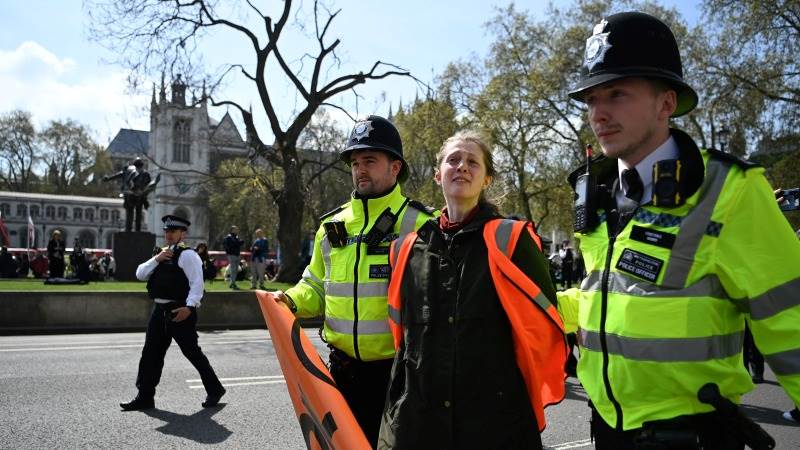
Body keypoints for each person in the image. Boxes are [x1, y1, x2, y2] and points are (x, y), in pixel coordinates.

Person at [558, 11, 800, 449]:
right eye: (591, 98)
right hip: (606, 431)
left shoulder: (730, 189)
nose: (599, 112)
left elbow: (792, 318)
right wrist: (528, 304)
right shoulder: (591, 191)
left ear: (665, 103)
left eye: (616, 94)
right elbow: (605, 294)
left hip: (693, 435)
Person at [378, 131, 567, 449]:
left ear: (487, 179)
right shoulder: (406, 249)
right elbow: (403, 345)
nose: (462, 167)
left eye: (472, 162)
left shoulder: (512, 239)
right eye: (453, 160)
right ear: (438, 174)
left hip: (494, 425)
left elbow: (544, 324)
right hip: (418, 424)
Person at [273, 115, 435, 447]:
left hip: (398, 376)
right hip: (341, 372)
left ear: (395, 167)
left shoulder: (422, 225)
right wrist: (290, 301)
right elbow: (316, 286)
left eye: (370, 161)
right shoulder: (332, 226)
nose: (360, 169)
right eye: (355, 162)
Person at [120, 214, 225, 411]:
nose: (169, 234)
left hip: (179, 310)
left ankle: (215, 389)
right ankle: (145, 396)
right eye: (167, 231)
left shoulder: (188, 255)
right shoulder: (160, 254)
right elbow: (140, 274)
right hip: (159, 310)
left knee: (192, 352)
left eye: (173, 231)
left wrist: (190, 307)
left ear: (182, 233)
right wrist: (156, 259)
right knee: (151, 353)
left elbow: (197, 285)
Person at [102, 157, 160, 232]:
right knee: (138, 213)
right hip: (138, 196)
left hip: (129, 195)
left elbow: (118, 175)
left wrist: (108, 178)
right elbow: (147, 187)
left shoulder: (128, 170)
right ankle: (137, 231)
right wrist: (144, 196)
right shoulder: (145, 173)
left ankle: (128, 229)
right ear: (142, 165)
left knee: (130, 213)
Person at [222, 225, 244, 290]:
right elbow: (230, 245)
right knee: (233, 269)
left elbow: (238, 243)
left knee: (235, 270)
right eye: (235, 229)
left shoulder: (236, 237)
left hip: (237, 254)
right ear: (232, 230)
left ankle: (232, 283)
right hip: (232, 255)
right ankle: (232, 283)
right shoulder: (229, 237)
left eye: (237, 229)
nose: (237, 230)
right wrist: (238, 243)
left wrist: (239, 242)